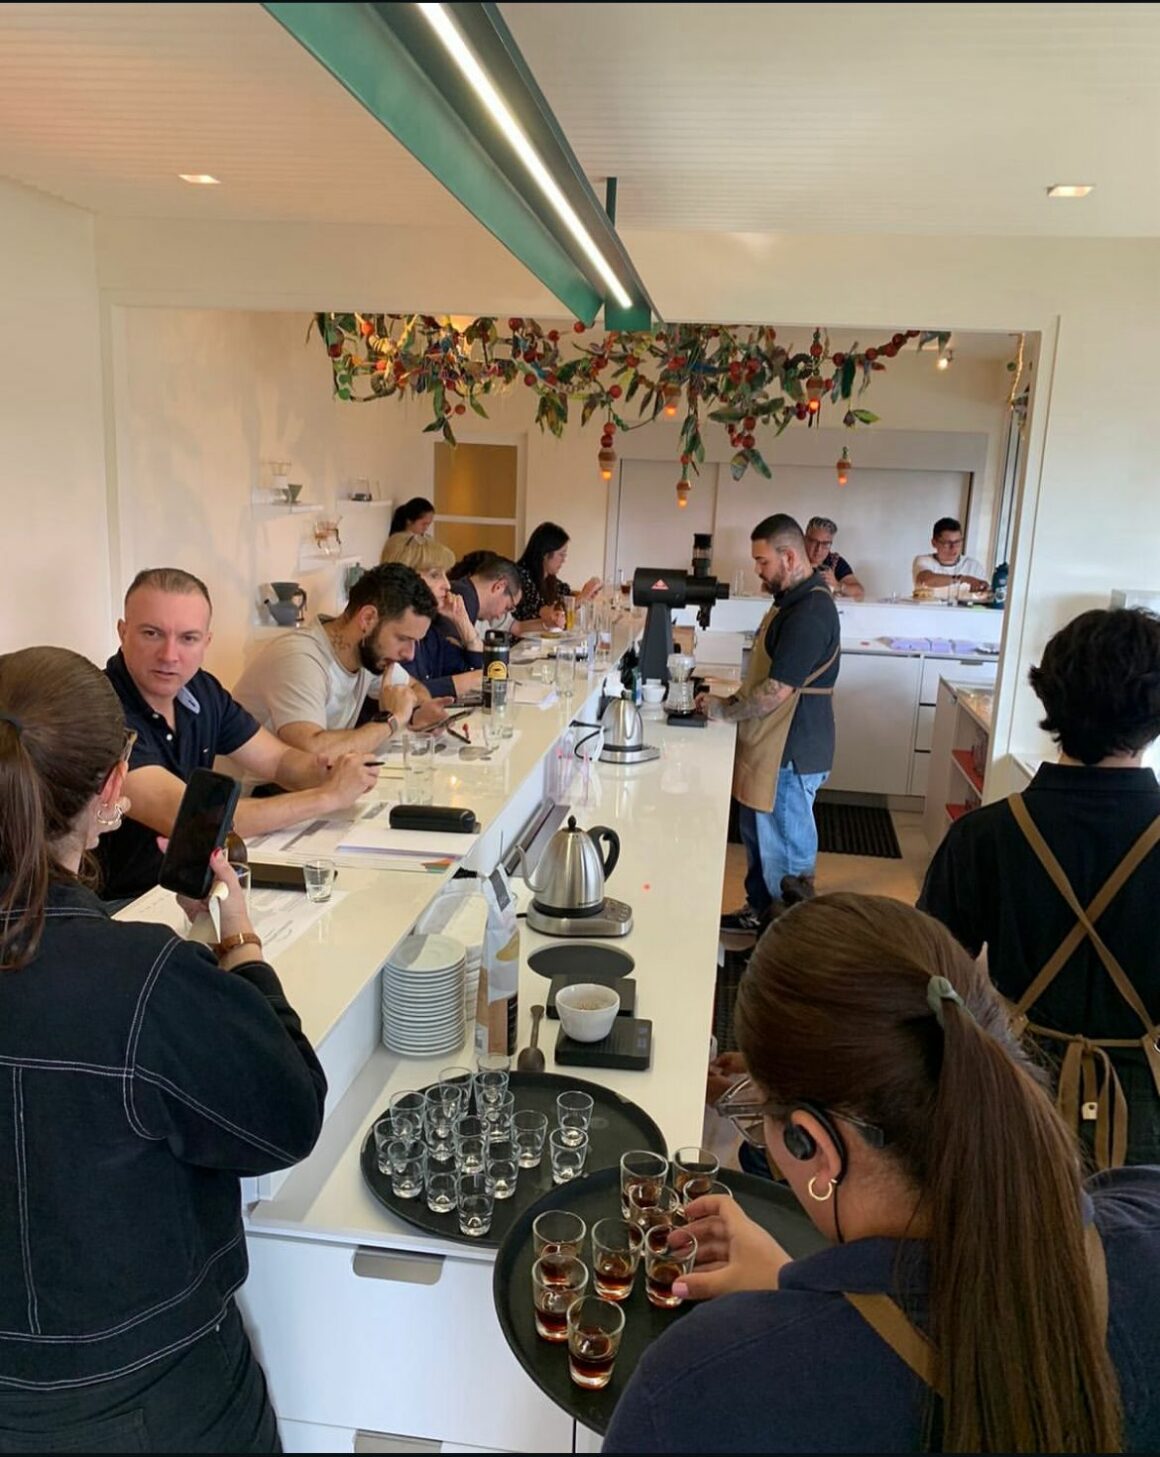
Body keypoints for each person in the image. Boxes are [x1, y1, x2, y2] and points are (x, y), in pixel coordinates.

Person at [604, 894, 1160, 1455]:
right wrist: (789, 1285)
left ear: (813, 1145)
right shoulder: (1145, 1211)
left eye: (757, 1115)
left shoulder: (692, 1390)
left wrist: (787, 1313)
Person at [0, 646, 326, 1451]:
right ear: (114, 785)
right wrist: (239, 941)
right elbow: (288, 1111)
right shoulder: (142, 978)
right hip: (153, 1396)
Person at [920, 607, 1160, 1167]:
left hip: (1017, 1087)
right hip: (1148, 1107)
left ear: (1048, 697)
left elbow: (927, 979)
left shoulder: (986, 835)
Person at [100, 568, 378, 903]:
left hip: (195, 884)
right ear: (123, 632)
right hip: (128, 904)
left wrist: (332, 770)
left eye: (188, 638)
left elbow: (278, 760)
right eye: (152, 633)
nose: (170, 655)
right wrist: (328, 796)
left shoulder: (200, 689)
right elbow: (197, 822)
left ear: (206, 642)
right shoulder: (101, 710)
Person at [698, 515, 840, 936]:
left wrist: (724, 711)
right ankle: (760, 912)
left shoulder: (810, 611)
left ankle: (788, 940)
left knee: (787, 855)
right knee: (761, 841)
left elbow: (777, 690)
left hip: (791, 750)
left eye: (763, 562)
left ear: (789, 557)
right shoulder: (790, 600)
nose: (758, 570)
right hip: (769, 746)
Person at [232, 562, 446, 758]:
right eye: (403, 639)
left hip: (309, 783)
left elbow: (415, 687)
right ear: (368, 618)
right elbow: (312, 753)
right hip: (256, 786)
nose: (410, 654)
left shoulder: (369, 653)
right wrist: (393, 719)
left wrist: (419, 710)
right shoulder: (300, 659)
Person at [380, 534, 486, 701]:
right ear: (405, 577)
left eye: (445, 574)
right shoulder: (383, 635)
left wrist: (463, 623)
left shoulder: (430, 635)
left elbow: (475, 673)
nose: (448, 585)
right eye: (435, 575)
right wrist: (459, 683)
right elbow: (406, 694)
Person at [511, 521, 602, 635]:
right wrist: (581, 598)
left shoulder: (550, 579)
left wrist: (584, 596)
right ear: (545, 554)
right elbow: (545, 614)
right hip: (521, 643)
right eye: (561, 554)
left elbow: (565, 599)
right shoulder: (521, 577)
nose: (564, 560)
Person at [912, 516, 988, 592]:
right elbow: (925, 580)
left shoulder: (974, 566)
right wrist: (963, 579)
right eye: (947, 543)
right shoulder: (924, 560)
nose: (953, 547)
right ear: (934, 543)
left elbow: (985, 593)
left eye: (957, 542)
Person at [804, 516, 864, 600]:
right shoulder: (794, 557)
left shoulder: (835, 561)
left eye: (825, 544)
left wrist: (837, 585)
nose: (818, 549)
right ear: (805, 539)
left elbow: (859, 592)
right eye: (814, 542)